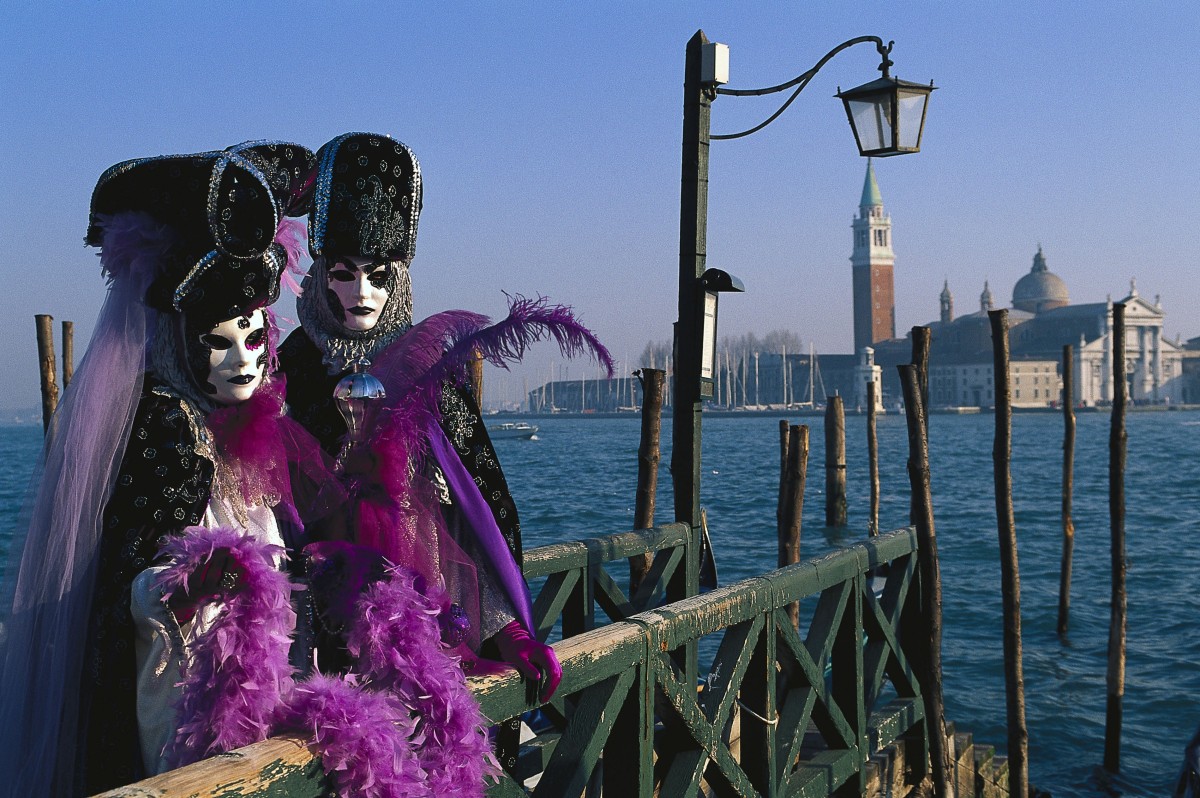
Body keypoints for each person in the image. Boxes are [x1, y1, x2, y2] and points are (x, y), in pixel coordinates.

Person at [0, 141, 315, 795]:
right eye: (218, 342)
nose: (243, 362)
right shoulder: (167, 429)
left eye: (255, 337)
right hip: (182, 716)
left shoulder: (241, 431)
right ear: (177, 338)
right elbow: (126, 590)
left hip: (254, 704)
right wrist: (189, 579)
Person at [278, 132, 612, 704]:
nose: (361, 291)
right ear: (319, 270)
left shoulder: (426, 366)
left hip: (422, 624)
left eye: (379, 275)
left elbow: (474, 510)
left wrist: (506, 627)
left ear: (400, 274)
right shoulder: (293, 365)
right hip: (312, 635)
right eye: (344, 272)